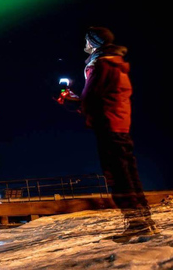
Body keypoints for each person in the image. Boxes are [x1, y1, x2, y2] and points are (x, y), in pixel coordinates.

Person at [63, 27, 158, 241]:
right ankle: (145, 221)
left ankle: (137, 225)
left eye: (87, 40)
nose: (84, 43)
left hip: (107, 124)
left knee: (118, 175)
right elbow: (106, 95)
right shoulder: (114, 62)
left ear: (94, 42)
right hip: (119, 122)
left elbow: (93, 98)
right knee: (128, 173)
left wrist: (72, 102)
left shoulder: (101, 64)